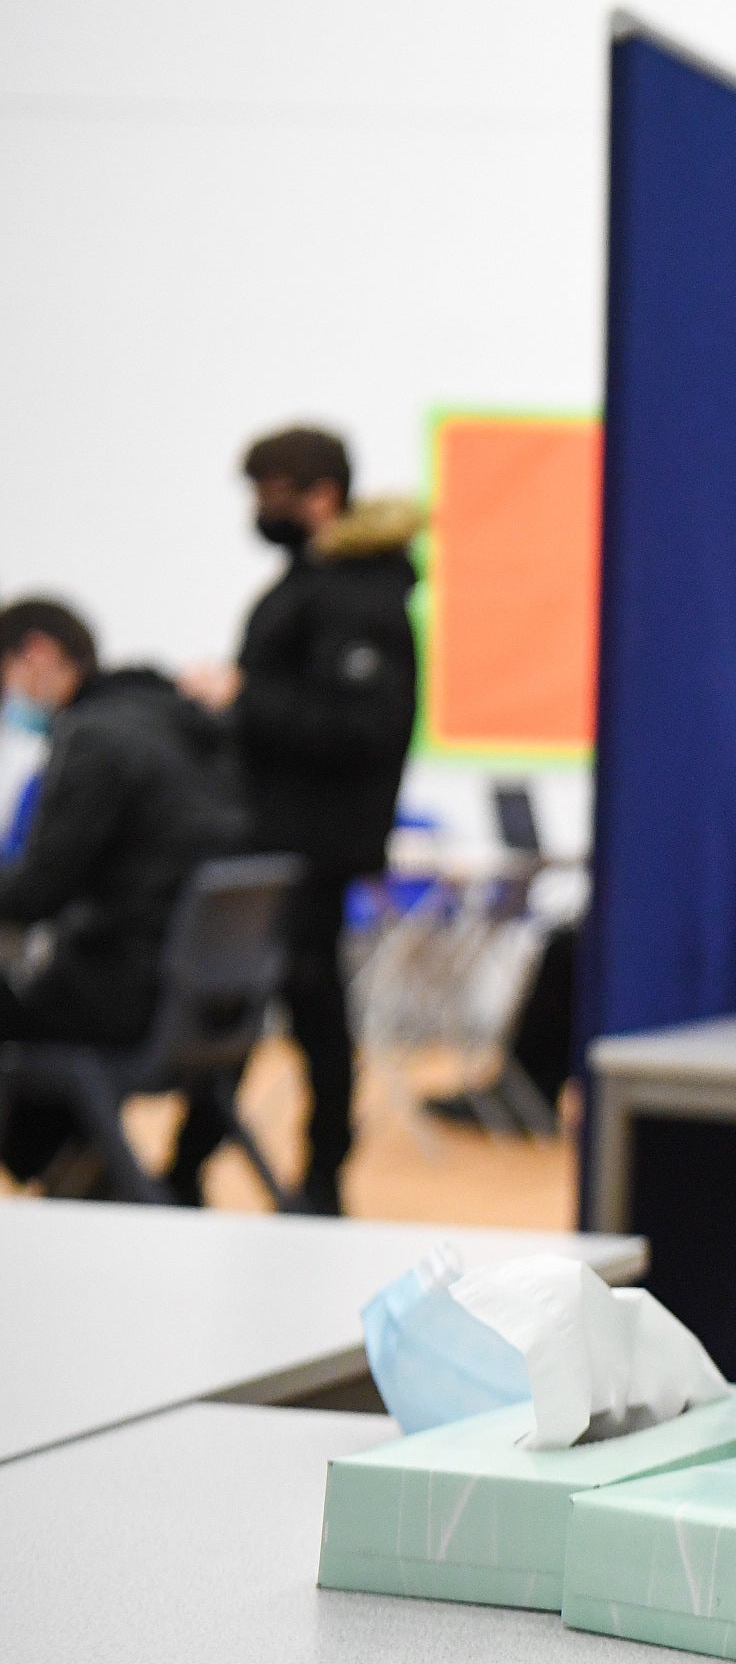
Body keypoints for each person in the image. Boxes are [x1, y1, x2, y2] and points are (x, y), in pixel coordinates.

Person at [173, 427, 422, 1214]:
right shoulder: (317, 584)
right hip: (280, 839)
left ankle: (311, 1176)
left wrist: (241, 699)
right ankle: (198, 1166)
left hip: (310, 844)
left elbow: (360, 726)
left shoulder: (358, 598)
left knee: (295, 1007)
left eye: (272, 492)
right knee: (265, 1006)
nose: (259, 510)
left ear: (320, 494)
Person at [0, 601, 245, 1175]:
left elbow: (36, 892)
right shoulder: (179, 724)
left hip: (125, 999)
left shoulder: (97, 738)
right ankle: (72, 1167)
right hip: (205, 1003)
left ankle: (57, 1162)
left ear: (37, 655)